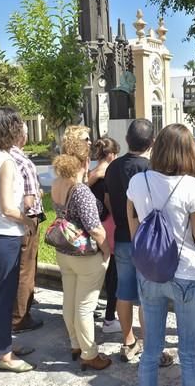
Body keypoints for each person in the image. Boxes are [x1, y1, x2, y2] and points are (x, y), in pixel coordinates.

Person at [127, 123, 195, 386]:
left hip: (149, 270)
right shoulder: (190, 186)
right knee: (188, 353)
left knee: (150, 351)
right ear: (187, 152)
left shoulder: (138, 181)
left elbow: (133, 222)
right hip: (185, 272)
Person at [105, 119, 173, 365]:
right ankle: (151, 346)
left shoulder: (113, 167)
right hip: (148, 240)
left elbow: (109, 200)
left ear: (126, 140)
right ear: (152, 142)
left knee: (124, 291)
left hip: (122, 236)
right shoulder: (151, 170)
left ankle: (128, 340)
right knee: (149, 296)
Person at [0, 107, 36, 373]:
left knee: (2, 295)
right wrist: (28, 219)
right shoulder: (5, 161)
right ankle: (3, 355)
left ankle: (5, 344)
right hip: (3, 235)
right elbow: (7, 208)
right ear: (12, 128)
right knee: (3, 298)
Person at [51, 138, 112, 371]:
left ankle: (76, 344)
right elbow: (95, 228)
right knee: (85, 306)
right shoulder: (81, 191)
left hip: (64, 251)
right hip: (85, 255)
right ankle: (89, 354)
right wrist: (106, 251)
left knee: (70, 299)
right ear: (86, 160)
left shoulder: (57, 183)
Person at [10, 123, 45, 334]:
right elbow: (29, 201)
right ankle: (20, 318)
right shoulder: (23, 161)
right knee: (26, 269)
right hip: (26, 220)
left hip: (5, 224)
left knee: (14, 269)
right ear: (22, 136)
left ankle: (14, 311)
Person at [89, 137, 122, 334]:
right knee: (113, 274)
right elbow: (109, 202)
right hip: (109, 225)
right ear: (110, 154)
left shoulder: (90, 173)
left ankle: (92, 309)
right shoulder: (107, 173)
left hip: (94, 225)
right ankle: (110, 318)